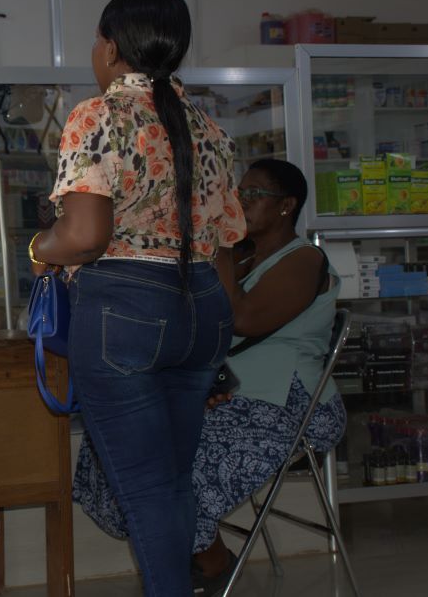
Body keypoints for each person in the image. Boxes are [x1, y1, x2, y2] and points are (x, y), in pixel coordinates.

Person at [28, 0, 245, 596]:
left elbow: (85, 235)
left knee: (146, 490)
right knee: (175, 483)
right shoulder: (209, 128)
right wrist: (217, 340)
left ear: (112, 46)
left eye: (97, 40)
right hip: (203, 310)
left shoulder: (97, 115)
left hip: (126, 313)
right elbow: (225, 241)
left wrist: (38, 249)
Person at [72, 159, 347, 597]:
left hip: (289, 402)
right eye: (239, 192)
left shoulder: (303, 259)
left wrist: (217, 247)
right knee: (121, 445)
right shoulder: (245, 257)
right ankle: (194, 554)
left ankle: (210, 561)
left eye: (253, 195)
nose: (240, 201)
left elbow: (245, 319)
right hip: (233, 392)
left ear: (286, 206)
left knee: (177, 464)